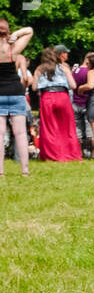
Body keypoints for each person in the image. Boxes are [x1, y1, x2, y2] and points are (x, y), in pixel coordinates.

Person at [31, 47, 82, 161]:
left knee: (49, 128)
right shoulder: (64, 67)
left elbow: (34, 87)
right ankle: (71, 154)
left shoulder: (39, 69)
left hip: (47, 97)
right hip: (62, 97)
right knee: (67, 127)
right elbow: (73, 85)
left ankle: (53, 155)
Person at [0, 20, 33, 177]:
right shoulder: (15, 49)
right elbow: (30, 30)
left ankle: (0, 171)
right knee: (20, 133)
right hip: (16, 92)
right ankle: (25, 171)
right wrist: (16, 34)